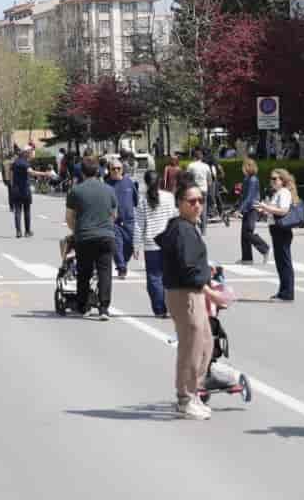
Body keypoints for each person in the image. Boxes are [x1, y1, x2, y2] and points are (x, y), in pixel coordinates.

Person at [157, 179, 213, 420]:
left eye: (201, 200)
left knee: (205, 344)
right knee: (191, 347)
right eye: (192, 201)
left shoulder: (187, 227)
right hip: (186, 294)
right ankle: (185, 397)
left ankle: (194, 392)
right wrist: (212, 292)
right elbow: (188, 268)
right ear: (180, 204)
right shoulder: (181, 229)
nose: (197, 205)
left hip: (192, 293)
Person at [65, 159, 118, 320]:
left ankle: (83, 305)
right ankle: (103, 308)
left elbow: (69, 217)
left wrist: (77, 231)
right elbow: (114, 215)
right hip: (106, 236)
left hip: (85, 236)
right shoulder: (109, 190)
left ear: (82, 172)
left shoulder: (76, 191)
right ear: (98, 172)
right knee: (105, 272)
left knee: (84, 272)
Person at [134, 170, 177, 318]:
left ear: (146, 183)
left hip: (151, 244)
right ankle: (171, 306)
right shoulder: (169, 197)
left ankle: (159, 309)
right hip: (168, 242)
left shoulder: (143, 201)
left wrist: (136, 245)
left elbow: (139, 225)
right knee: (169, 276)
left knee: (154, 277)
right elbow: (174, 217)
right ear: (159, 181)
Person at [254, 168, 298, 302]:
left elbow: (283, 211)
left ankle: (287, 294)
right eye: (271, 178)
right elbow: (275, 211)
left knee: (284, 262)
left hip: (282, 230)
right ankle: (282, 291)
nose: (272, 181)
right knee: (280, 262)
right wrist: (264, 210)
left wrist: (266, 208)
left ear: (282, 180)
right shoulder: (277, 193)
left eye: (275, 179)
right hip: (276, 229)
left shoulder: (284, 192)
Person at [106, 160, 138, 279]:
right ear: (109, 170)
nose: (116, 171)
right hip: (114, 221)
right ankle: (121, 267)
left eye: (118, 168)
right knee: (117, 245)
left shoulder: (129, 183)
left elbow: (135, 200)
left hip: (129, 220)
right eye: (113, 168)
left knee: (129, 246)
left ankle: (123, 262)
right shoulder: (106, 184)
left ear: (122, 169)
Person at [10, 150, 52, 238]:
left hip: (15, 190)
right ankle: (27, 231)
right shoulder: (25, 164)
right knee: (27, 211)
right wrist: (45, 173)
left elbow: (11, 176)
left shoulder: (14, 163)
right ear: (25, 156)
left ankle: (18, 231)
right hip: (25, 190)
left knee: (17, 211)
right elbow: (31, 172)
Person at [238, 158, 269, 264]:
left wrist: (240, 209)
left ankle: (264, 248)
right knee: (244, 234)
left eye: (244, 166)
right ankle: (247, 258)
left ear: (248, 167)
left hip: (252, 208)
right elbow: (243, 196)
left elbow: (250, 197)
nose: (242, 168)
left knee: (248, 232)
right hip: (247, 208)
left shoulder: (253, 179)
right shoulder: (247, 178)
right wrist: (237, 208)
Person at [186, 149, 212, 234]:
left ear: (194, 157)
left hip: (194, 190)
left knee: (192, 208)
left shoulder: (191, 166)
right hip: (204, 189)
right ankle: (203, 230)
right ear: (201, 157)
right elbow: (209, 180)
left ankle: (193, 227)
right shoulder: (206, 166)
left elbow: (187, 178)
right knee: (203, 209)